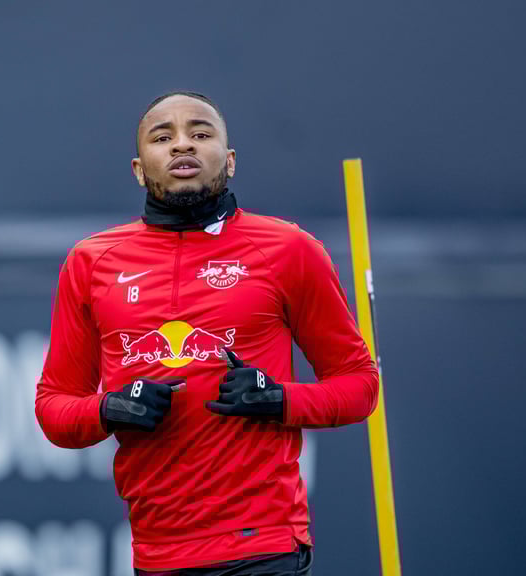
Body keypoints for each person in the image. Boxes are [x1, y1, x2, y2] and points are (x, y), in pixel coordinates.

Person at [35, 91, 379, 575]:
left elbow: (359, 386)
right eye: (163, 137)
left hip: (265, 545)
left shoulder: (289, 249)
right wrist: (108, 409)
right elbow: (53, 407)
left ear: (230, 161)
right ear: (139, 169)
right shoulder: (91, 262)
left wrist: (279, 400)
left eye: (200, 133)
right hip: (157, 554)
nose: (182, 146)